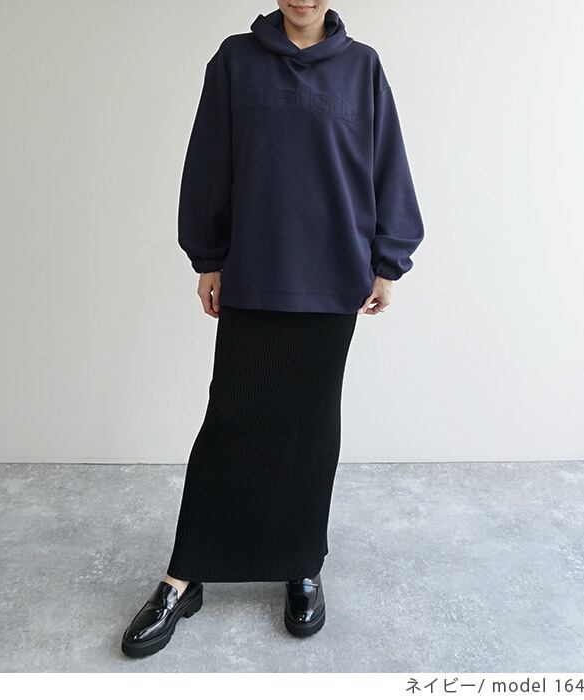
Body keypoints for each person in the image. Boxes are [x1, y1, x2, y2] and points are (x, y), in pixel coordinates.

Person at [121, 0, 424, 658]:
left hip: (334, 276)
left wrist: (388, 261)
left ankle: (301, 565)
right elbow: (210, 160)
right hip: (256, 269)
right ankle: (184, 575)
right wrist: (208, 257)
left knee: (310, 428)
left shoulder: (363, 68)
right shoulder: (235, 60)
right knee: (231, 421)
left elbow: (387, 165)